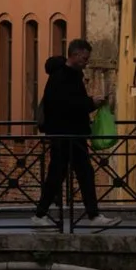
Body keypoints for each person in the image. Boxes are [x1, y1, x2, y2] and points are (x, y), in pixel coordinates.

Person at [38, 35, 98, 225]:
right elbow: (67, 104)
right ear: (74, 55)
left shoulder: (70, 75)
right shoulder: (61, 76)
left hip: (70, 134)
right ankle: (93, 216)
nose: (86, 63)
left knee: (69, 174)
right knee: (65, 175)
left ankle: (92, 215)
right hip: (65, 134)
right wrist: (92, 103)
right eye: (84, 58)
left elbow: (70, 102)